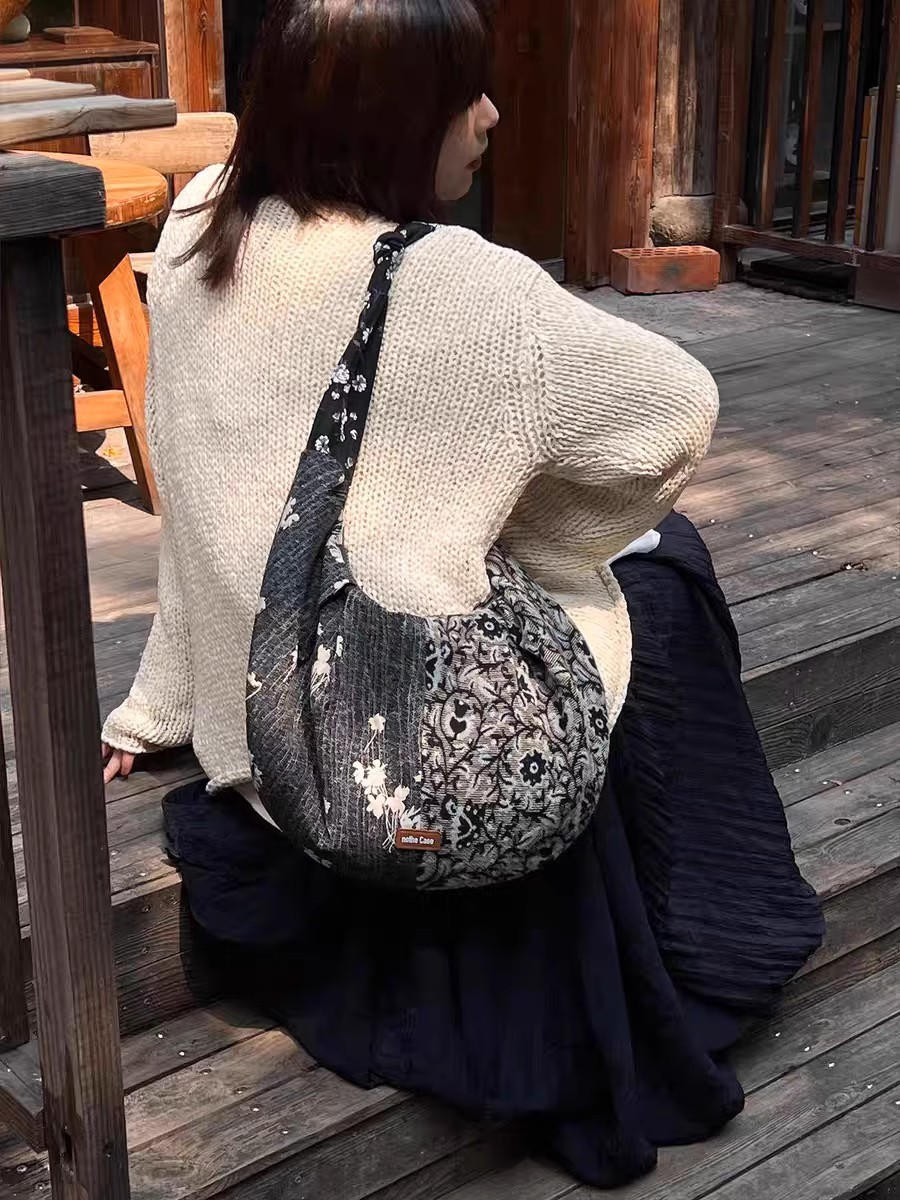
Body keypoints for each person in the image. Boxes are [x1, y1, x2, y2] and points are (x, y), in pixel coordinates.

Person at [101, 0, 824, 1186]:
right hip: (408, 743)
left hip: (263, 723)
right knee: (667, 571)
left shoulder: (197, 226)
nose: (491, 116)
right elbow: (672, 411)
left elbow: (192, 476)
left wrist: (159, 701)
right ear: (390, 113)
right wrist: (540, 542)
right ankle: (704, 930)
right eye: (463, 94)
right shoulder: (471, 286)